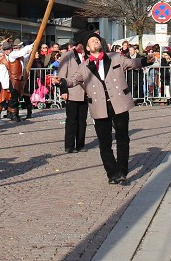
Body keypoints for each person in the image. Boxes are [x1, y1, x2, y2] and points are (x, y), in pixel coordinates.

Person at [66, 30, 148, 184]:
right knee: (104, 143)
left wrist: (145, 60)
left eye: (97, 40)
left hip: (119, 104)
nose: (95, 42)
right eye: (92, 41)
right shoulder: (84, 66)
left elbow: (132, 63)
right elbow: (73, 80)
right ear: (87, 48)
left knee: (122, 138)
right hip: (99, 106)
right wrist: (60, 82)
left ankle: (122, 170)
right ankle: (112, 173)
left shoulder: (115, 57)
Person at [56, 35, 88, 153]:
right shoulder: (67, 56)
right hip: (72, 91)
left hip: (85, 92)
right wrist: (63, 91)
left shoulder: (87, 56)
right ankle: (69, 145)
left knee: (82, 120)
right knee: (71, 120)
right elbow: (61, 75)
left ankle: (80, 144)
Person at [5, 40, 34, 122]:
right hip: (14, 79)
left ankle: (15, 114)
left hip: (19, 79)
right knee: (14, 98)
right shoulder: (13, 54)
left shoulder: (19, 56)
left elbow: (25, 55)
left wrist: (32, 45)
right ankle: (14, 115)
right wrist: (29, 48)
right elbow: (22, 52)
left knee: (19, 96)